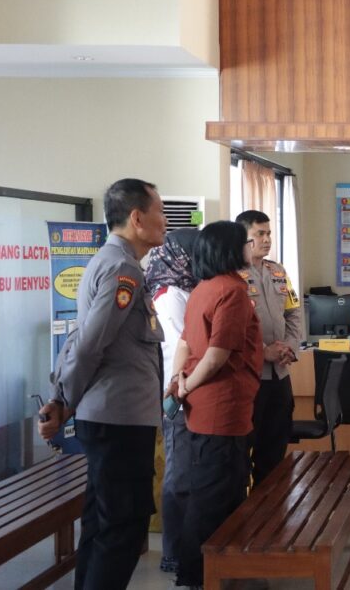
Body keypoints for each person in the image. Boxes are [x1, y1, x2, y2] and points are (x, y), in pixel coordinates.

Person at [38, 178, 167, 590]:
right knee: (122, 528)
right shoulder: (122, 268)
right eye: (160, 212)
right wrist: (63, 401)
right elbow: (90, 344)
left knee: (102, 524)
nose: (165, 221)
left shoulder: (112, 262)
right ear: (137, 218)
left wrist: (63, 397)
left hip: (115, 417)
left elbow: (82, 338)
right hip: (118, 420)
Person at [167, 220, 263, 590]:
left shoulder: (201, 288)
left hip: (204, 409)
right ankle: (199, 575)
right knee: (216, 495)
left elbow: (185, 344)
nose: (251, 247)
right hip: (222, 408)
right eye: (246, 242)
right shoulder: (232, 291)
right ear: (229, 249)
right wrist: (186, 385)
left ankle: (219, 570)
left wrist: (179, 381)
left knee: (212, 489)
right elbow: (216, 356)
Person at [144, 227, 200, 575]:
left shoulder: (189, 288)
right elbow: (188, 345)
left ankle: (186, 547)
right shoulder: (169, 294)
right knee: (179, 476)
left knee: (191, 473)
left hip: (191, 389)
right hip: (177, 395)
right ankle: (173, 553)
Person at [235, 210, 303, 486]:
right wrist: (264, 351)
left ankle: (273, 505)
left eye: (269, 234)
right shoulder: (232, 275)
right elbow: (234, 326)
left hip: (280, 375)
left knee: (275, 450)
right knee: (243, 451)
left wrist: (290, 347)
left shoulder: (278, 271)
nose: (266, 239)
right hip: (251, 377)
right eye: (259, 234)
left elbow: (294, 313)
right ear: (243, 238)